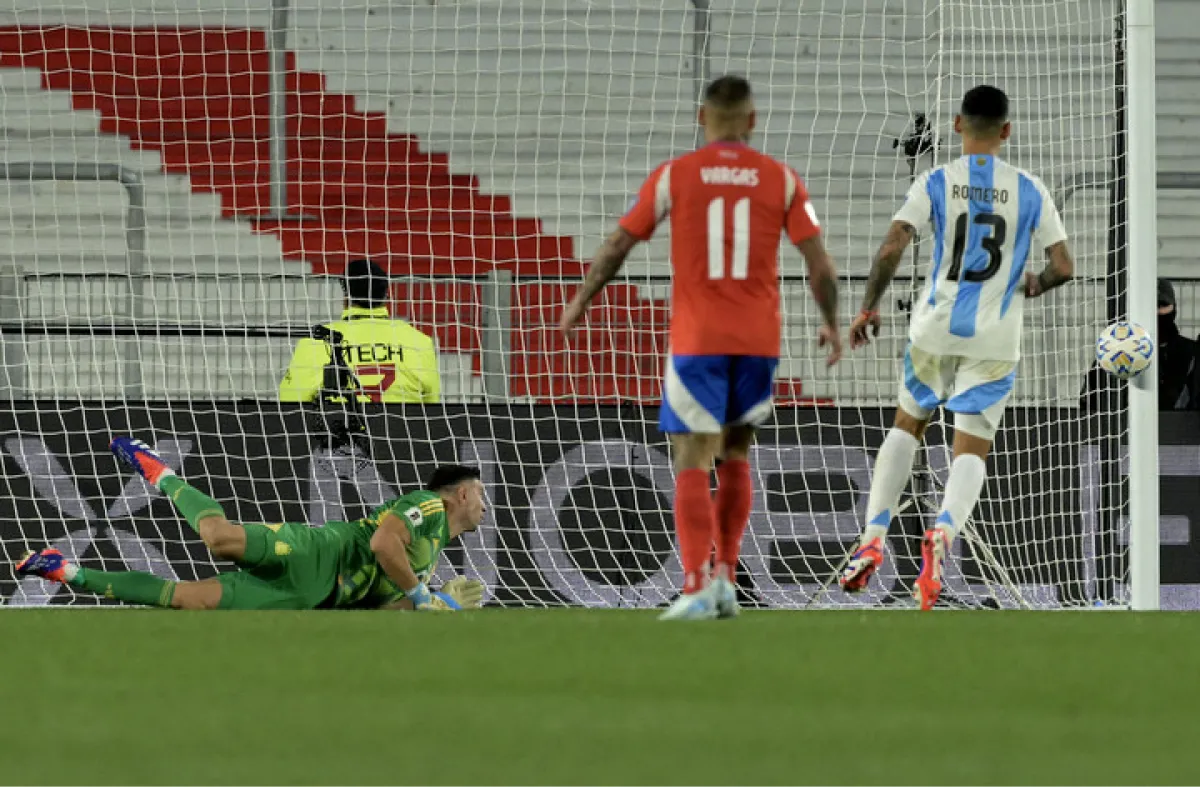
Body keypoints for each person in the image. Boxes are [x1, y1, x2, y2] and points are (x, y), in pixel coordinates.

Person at [559, 74, 843, 620]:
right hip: (759, 338)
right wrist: (831, 322)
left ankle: (694, 585)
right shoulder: (780, 180)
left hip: (698, 338)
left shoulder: (675, 176)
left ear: (701, 117)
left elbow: (619, 243)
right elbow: (820, 264)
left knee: (691, 453)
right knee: (736, 451)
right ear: (753, 121)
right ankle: (727, 580)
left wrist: (580, 301)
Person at [839, 85, 1075, 610]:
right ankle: (944, 532)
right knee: (970, 448)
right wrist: (1035, 283)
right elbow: (1064, 267)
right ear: (1006, 131)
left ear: (957, 125)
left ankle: (873, 537)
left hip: (934, 327)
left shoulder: (937, 181)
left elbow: (892, 246)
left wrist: (868, 307)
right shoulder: (1031, 189)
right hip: (995, 337)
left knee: (908, 423)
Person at [16, 438, 486, 611]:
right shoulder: (426, 507)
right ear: (461, 493)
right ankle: (158, 470)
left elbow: (384, 611)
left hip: (311, 596)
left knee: (189, 600)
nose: (485, 506)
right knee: (218, 539)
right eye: (482, 495)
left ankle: (67, 571)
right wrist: (424, 596)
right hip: (319, 551)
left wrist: (440, 603)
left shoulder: (430, 559)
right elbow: (384, 544)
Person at [279, 258, 441, 404]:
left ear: (346, 297)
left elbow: (289, 400)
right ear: (386, 295)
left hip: (340, 433)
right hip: (401, 434)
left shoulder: (317, 341)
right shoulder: (419, 342)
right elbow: (432, 405)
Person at [1079, 278, 1199, 411]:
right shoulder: (1113, 352)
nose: (1155, 312)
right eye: (1149, 306)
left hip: (1179, 428)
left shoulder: (1192, 353)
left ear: (1174, 308)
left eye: (1161, 305)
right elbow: (1089, 403)